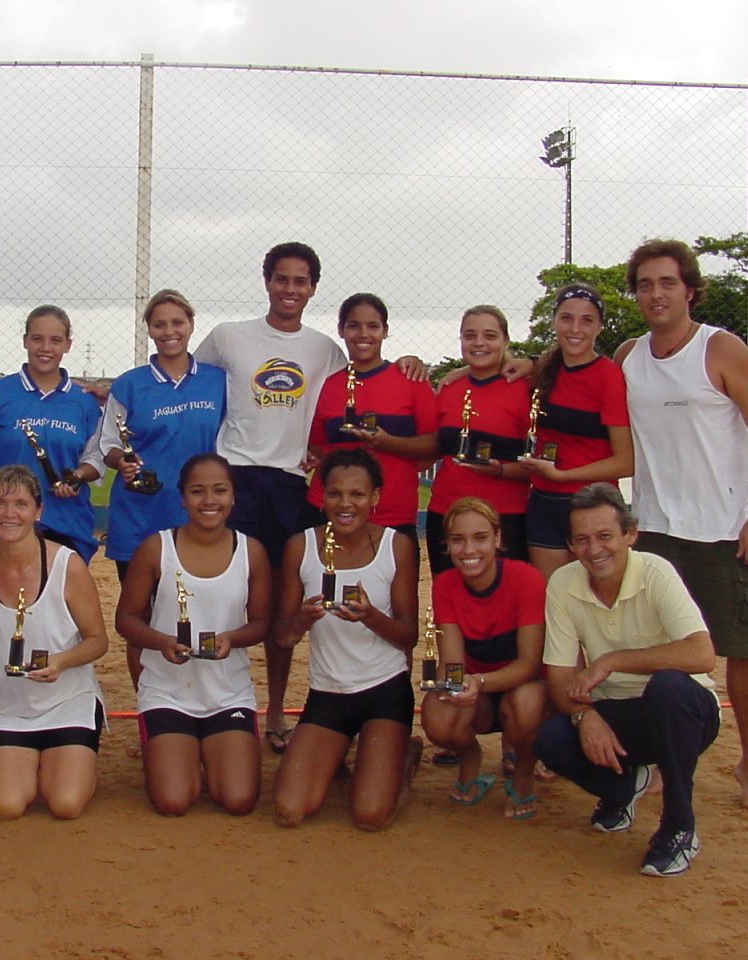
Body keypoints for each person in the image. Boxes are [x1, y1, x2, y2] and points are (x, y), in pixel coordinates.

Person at [617, 239, 748, 812]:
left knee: (741, 648)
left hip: (719, 529)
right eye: (644, 284)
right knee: (659, 650)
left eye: (666, 283)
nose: (655, 294)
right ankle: (666, 756)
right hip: (654, 529)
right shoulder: (629, 355)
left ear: (689, 289)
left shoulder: (721, 349)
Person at [192, 242, 345, 753]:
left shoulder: (326, 349)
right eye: (282, 279)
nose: (290, 290)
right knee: (221, 598)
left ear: (313, 289)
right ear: (266, 282)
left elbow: (346, 403)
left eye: (301, 282)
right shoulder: (227, 338)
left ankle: (276, 709)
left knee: (282, 608)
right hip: (235, 481)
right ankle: (207, 707)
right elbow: (187, 387)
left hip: (290, 488)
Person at [535, 483, 720, 877]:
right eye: (582, 539)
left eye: (605, 536)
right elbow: (559, 677)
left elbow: (702, 655)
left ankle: (679, 826)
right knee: (551, 737)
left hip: (684, 709)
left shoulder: (656, 572)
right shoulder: (563, 584)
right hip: (616, 712)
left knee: (668, 687)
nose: (594, 549)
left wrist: (613, 661)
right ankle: (624, 787)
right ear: (570, 544)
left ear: (630, 534)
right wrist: (585, 717)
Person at [115, 453, 271, 816]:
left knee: (238, 799)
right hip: (168, 694)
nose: (209, 501)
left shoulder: (251, 552)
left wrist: (232, 638)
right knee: (173, 801)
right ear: (182, 498)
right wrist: (162, 642)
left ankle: (208, 751)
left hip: (227, 693)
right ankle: (172, 747)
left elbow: (261, 623)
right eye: (197, 491)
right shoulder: (156, 548)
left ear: (233, 496)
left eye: (220, 490)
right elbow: (126, 619)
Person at [273, 449, 421, 830]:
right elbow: (283, 637)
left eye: (357, 495)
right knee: (290, 809)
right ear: (321, 496)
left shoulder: (396, 546)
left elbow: (409, 637)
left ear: (375, 499)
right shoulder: (300, 546)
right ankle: (340, 752)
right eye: (335, 493)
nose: (345, 504)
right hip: (328, 693)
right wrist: (302, 621)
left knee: (371, 815)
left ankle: (403, 757)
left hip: (384, 690)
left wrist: (372, 617)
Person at [98, 289, 225, 694]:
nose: (169, 332)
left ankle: (201, 705)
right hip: (140, 518)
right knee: (144, 622)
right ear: (149, 330)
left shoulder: (217, 380)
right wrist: (122, 461)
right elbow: (107, 444)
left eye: (177, 323)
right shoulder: (130, 384)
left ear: (190, 325)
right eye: (159, 324)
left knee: (202, 618)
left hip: (199, 520)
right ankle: (151, 712)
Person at [0, 466, 109, 819]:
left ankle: (66, 757)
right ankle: (28, 759)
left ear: (38, 511)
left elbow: (98, 641)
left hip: (67, 703)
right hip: (7, 709)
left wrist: (60, 661)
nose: (9, 513)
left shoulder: (67, 564)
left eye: (20, 503)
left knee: (64, 804)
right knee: (8, 806)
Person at [420, 497, 546, 819]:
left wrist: (480, 682)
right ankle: (470, 757)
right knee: (437, 716)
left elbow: (530, 663)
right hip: (480, 689)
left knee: (527, 705)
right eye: (458, 540)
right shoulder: (446, 584)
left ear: (498, 540)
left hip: (519, 683)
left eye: (480, 538)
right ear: (447, 545)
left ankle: (523, 773)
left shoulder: (526, 578)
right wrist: (455, 688)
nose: (469, 550)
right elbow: (452, 662)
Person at [304, 292, 438, 564]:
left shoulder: (410, 380)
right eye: (353, 325)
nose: (363, 334)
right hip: (330, 511)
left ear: (385, 331)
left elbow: (433, 447)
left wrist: (387, 443)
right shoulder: (326, 385)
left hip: (393, 512)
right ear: (341, 329)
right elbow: (318, 447)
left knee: (396, 602)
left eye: (373, 326)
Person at [515, 284, 633, 582]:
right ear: (553, 321)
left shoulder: (608, 377)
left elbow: (625, 461)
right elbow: (490, 366)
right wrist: (455, 373)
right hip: (544, 503)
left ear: (600, 327)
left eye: (587, 320)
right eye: (566, 318)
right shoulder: (543, 370)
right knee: (553, 600)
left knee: (597, 603)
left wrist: (564, 475)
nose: (575, 329)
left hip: (593, 506)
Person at [0, 305, 104, 564]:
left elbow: (96, 458)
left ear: (68, 345)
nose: (45, 348)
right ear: (25, 340)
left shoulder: (83, 401)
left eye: (56, 340)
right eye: (37, 339)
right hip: (9, 521)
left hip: (67, 522)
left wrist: (77, 477)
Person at [426, 305, 531, 575]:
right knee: (450, 602)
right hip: (447, 513)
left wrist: (499, 470)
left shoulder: (525, 390)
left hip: (505, 516)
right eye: (470, 335)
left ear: (505, 341)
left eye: (490, 335)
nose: (479, 343)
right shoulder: (449, 388)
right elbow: (432, 446)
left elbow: (537, 464)